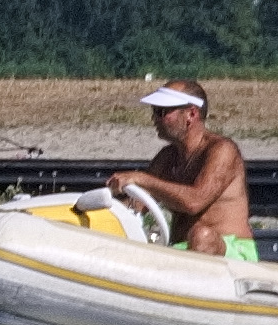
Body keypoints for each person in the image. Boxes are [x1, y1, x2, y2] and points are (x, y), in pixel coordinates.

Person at [110, 80, 256, 260]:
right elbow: (135, 205)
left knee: (201, 236)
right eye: (154, 111)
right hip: (182, 249)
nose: (154, 119)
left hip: (232, 252)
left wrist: (142, 179)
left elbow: (194, 202)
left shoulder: (222, 150)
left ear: (191, 114)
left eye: (161, 112)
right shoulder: (167, 157)